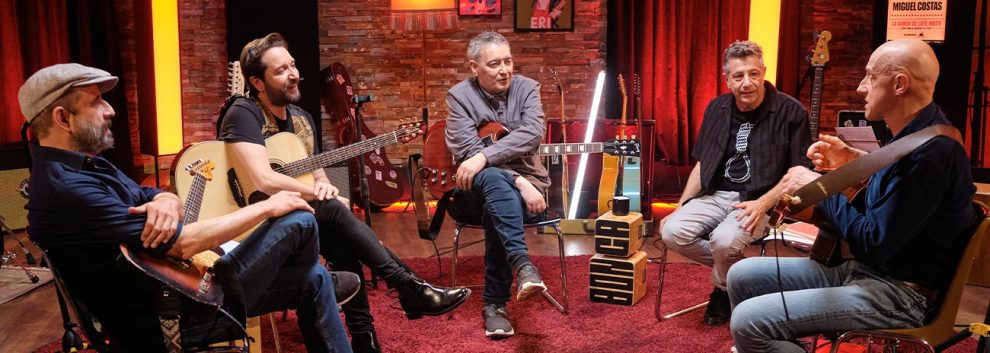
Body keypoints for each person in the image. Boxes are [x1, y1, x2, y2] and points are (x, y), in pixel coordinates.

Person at [22, 63, 356, 353]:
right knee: (299, 219)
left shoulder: (85, 166)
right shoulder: (67, 189)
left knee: (311, 278)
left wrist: (166, 201)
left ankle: (307, 274)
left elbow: (149, 193)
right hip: (168, 316)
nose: (109, 110)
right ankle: (302, 270)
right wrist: (268, 207)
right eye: (96, 102)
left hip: (175, 291)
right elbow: (183, 243)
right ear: (63, 118)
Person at [219, 33, 471, 352]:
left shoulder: (301, 120)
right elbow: (264, 178)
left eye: (293, 65)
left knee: (340, 236)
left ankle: (367, 336)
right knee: (334, 211)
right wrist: (322, 195)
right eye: (281, 70)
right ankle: (409, 289)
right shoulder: (244, 112)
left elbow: (315, 171)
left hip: (296, 216)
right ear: (257, 82)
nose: (294, 73)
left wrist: (323, 186)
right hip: (253, 219)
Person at [727, 39, 983, 353]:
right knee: (742, 274)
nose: (861, 87)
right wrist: (850, 161)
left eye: (871, 76)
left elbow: (874, 241)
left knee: (748, 322)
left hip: (901, 294)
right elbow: (884, 204)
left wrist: (822, 189)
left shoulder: (932, 154)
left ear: (899, 84)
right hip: (870, 270)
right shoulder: (915, 134)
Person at [659, 40, 813, 326]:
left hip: (761, 198)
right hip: (714, 194)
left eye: (754, 74)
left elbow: (799, 171)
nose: (747, 83)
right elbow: (702, 163)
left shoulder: (792, 112)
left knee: (725, 240)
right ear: (727, 79)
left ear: (764, 71)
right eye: (738, 76)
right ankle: (744, 274)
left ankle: (721, 290)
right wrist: (681, 206)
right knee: (670, 230)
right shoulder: (716, 108)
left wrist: (763, 204)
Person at [445, 31, 551, 339]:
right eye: (494, 63)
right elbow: (466, 152)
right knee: (491, 181)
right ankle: (523, 265)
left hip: (527, 195)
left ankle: (495, 305)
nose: (505, 69)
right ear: (474, 67)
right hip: (474, 193)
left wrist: (484, 158)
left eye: (508, 61)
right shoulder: (459, 97)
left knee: (497, 203)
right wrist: (518, 179)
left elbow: (532, 132)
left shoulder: (528, 89)